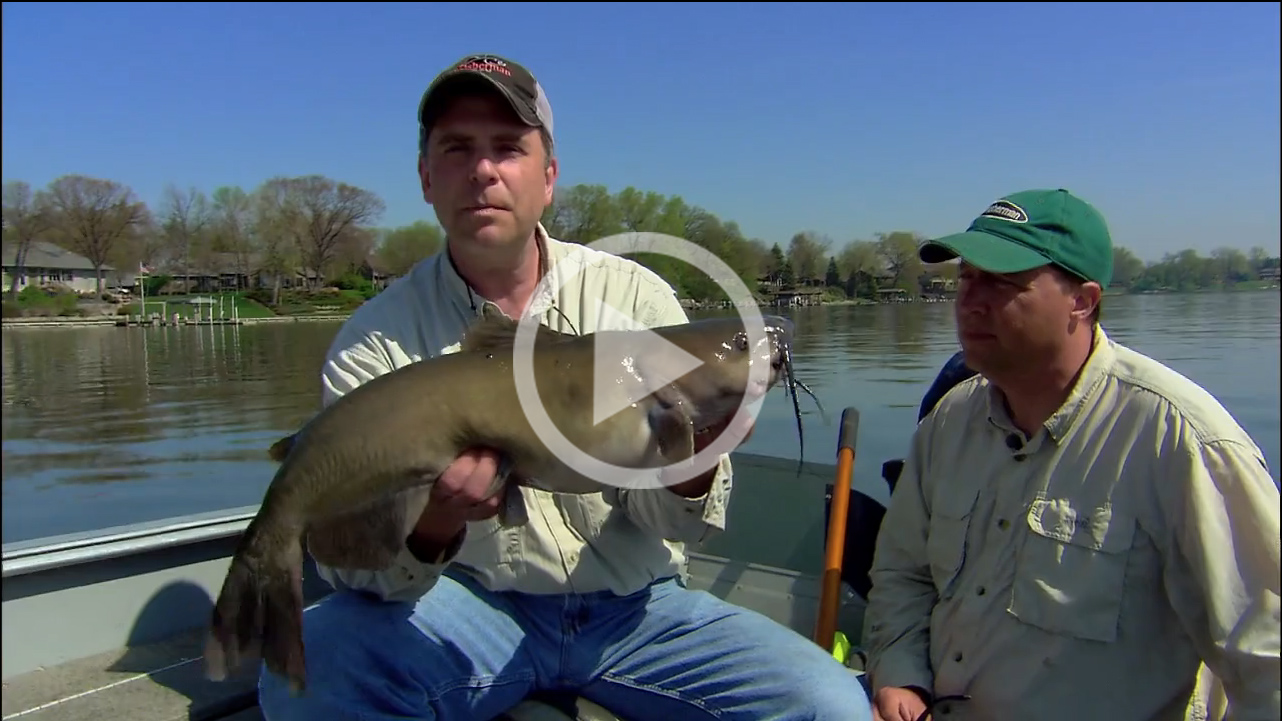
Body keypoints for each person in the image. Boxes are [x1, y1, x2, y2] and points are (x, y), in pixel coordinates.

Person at [256, 53, 871, 721]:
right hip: (469, 609)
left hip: (637, 609)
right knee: (309, 674)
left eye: (508, 148)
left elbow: (680, 529)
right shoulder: (375, 342)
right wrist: (437, 523)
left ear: (548, 178)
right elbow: (355, 570)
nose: (483, 170)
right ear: (427, 178)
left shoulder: (635, 297)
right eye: (457, 148)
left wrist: (693, 466)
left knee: (828, 703)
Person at [860, 188, 1281, 721]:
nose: (970, 300)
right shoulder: (948, 423)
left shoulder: (1181, 440)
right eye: (966, 278)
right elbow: (903, 573)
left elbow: (1268, 661)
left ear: (1081, 300)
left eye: (1001, 281)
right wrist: (899, 674)